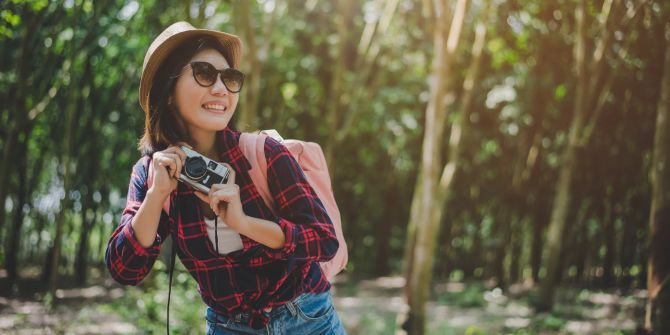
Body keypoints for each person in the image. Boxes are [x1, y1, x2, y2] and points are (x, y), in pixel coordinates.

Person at [105, 21, 346, 334]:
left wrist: (244, 223)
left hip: (308, 318)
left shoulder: (264, 153)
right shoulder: (151, 172)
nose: (220, 88)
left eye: (230, 78)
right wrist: (156, 196)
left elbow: (324, 241)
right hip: (228, 326)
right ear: (167, 89)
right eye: (204, 73)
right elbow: (125, 269)